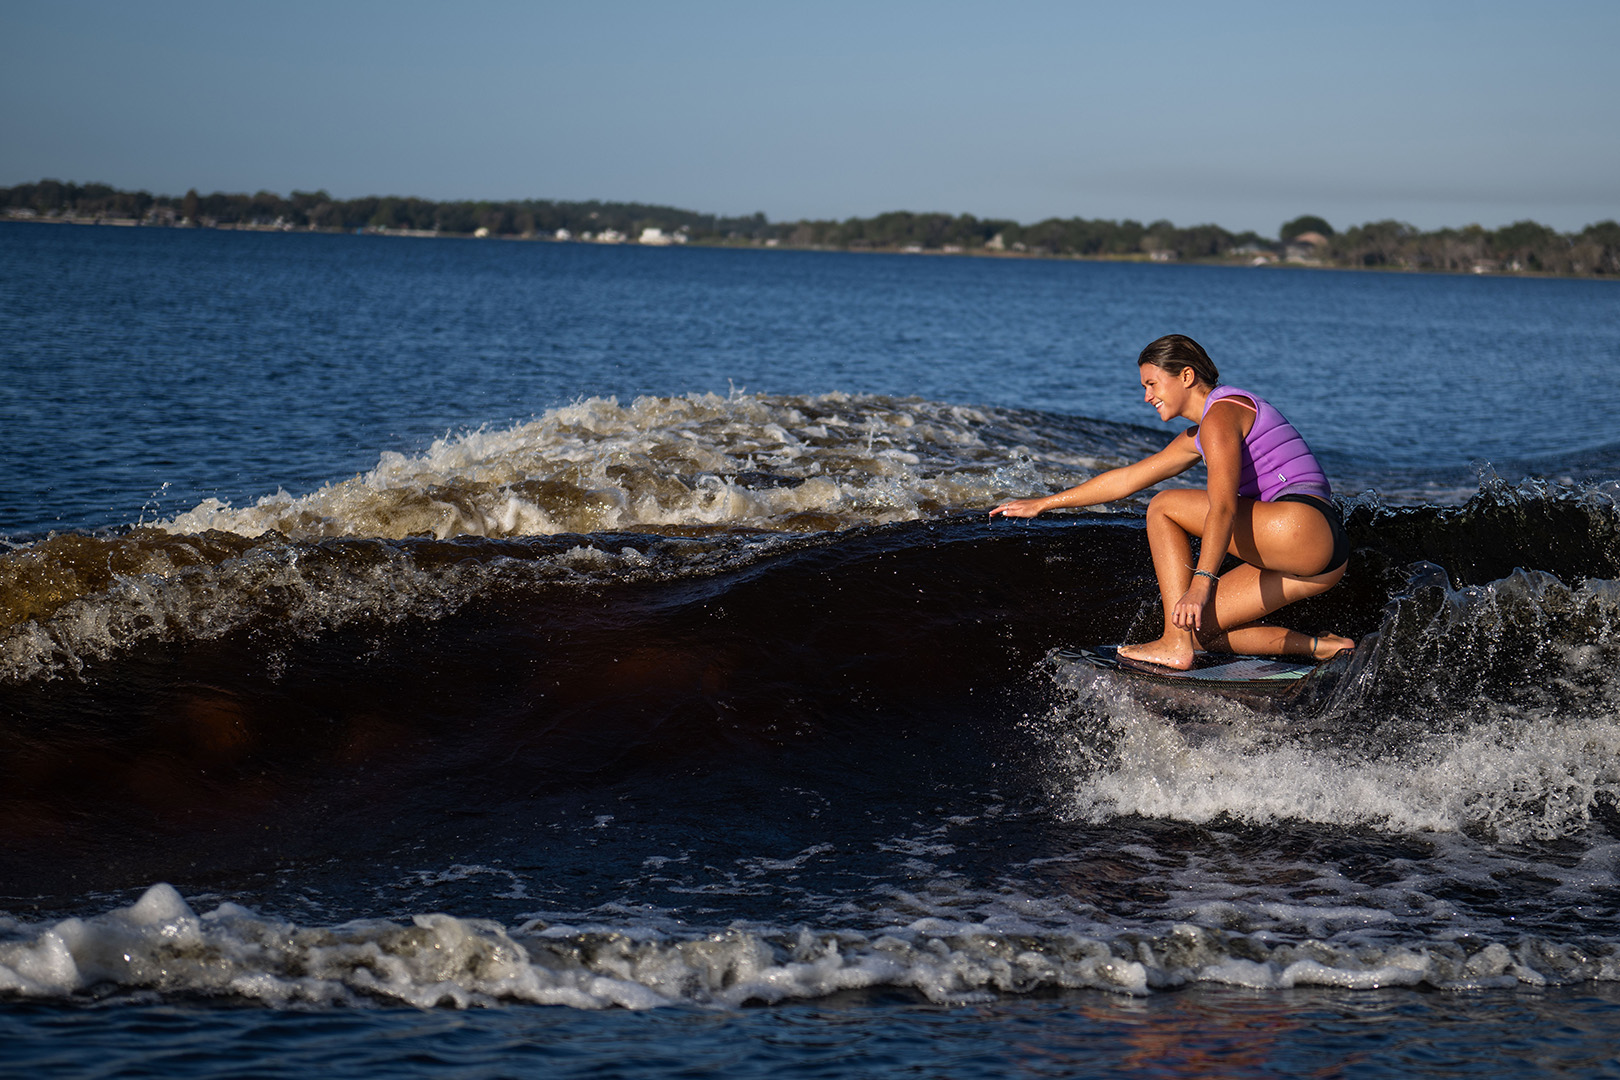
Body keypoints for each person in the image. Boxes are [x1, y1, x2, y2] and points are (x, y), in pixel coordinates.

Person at [990, 334, 1353, 669]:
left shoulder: (1221, 416)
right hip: (1323, 556)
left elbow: (1223, 507)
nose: (1147, 396)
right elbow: (1127, 479)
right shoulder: (1203, 430)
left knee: (1164, 505)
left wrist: (1201, 583)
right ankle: (1322, 647)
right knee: (1198, 631)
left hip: (1299, 525)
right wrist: (1044, 503)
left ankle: (1173, 643)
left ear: (1186, 376)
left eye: (1152, 383)